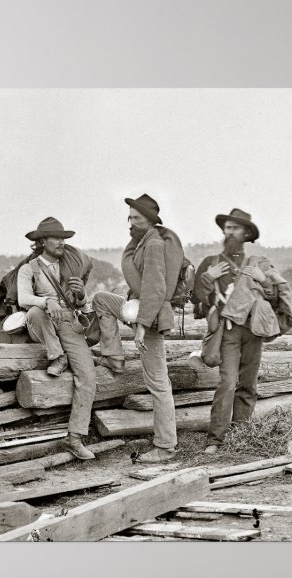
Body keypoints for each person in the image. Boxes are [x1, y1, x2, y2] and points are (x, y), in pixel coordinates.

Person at [192, 208, 292, 455]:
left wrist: (264, 280)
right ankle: (215, 439)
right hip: (227, 332)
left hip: (253, 330)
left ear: (247, 233)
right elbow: (198, 302)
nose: (230, 232)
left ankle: (242, 434)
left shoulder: (259, 263)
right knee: (227, 382)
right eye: (227, 227)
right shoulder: (211, 263)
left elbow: (275, 296)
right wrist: (206, 278)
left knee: (248, 383)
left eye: (236, 228)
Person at [91, 194, 181, 463]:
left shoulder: (153, 244)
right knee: (101, 299)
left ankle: (165, 446)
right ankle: (114, 357)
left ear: (151, 220)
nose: (130, 222)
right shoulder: (141, 241)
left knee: (158, 383)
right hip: (138, 307)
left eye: (136, 218)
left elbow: (155, 288)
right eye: (129, 217)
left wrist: (141, 327)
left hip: (150, 316)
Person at [16, 217, 98, 460]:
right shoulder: (29, 268)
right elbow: (23, 299)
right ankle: (58, 355)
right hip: (43, 322)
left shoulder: (70, 266)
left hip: (68, 322)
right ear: (42, 241)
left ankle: (74, 437)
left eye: (63, 238)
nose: (62, 242)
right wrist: (45, 301)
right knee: (35, 311)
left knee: (88, 376)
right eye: (56, 238)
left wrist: (81, 296)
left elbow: (81, 304)